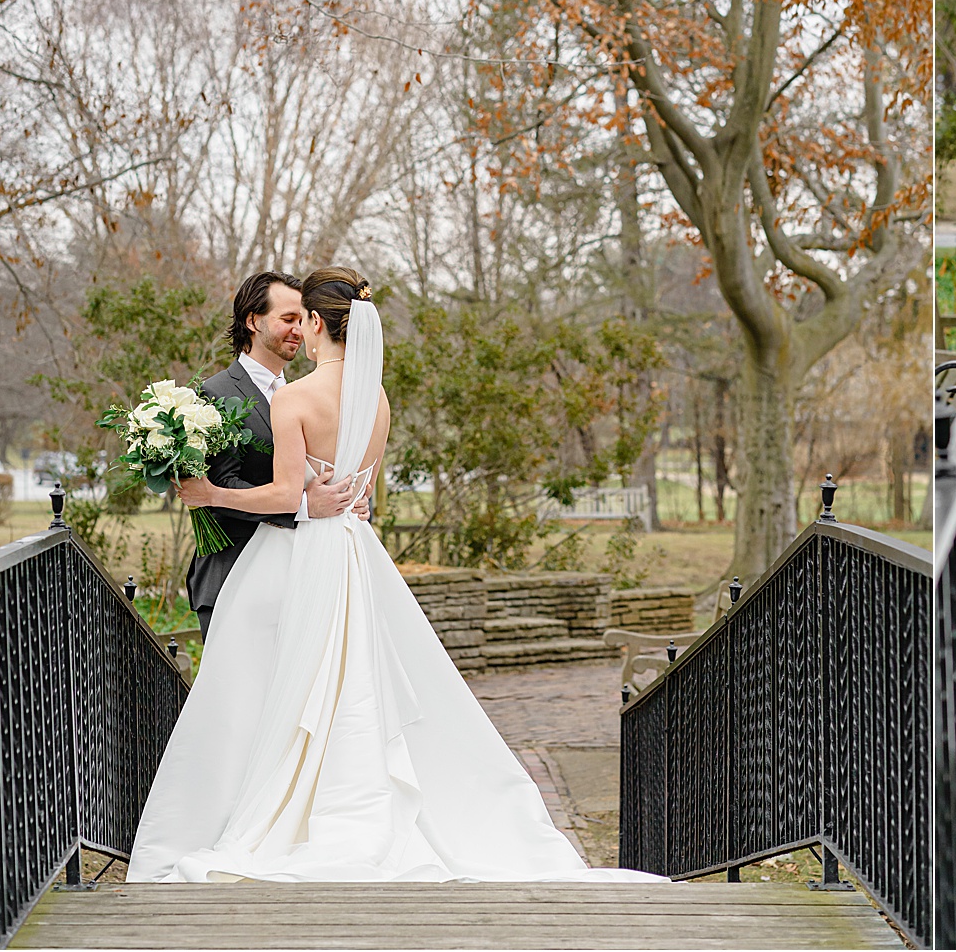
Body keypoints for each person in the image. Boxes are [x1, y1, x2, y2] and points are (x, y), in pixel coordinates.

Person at [129, 267, 663, 883]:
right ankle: (354, 800)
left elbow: (282, 495)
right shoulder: (374, 399)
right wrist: (322, 495)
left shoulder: (292, 397)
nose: (297, 327)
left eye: (303, 317)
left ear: (318, 323)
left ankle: (291, 808)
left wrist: (210, 492)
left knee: (298, 685)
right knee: (352, 681)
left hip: (299, 554)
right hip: (355, 553)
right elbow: (361, 493)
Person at [188, 272, 361, 639]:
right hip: (233, 576)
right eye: (288, 319)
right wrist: (302, 505)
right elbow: (219, 487)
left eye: (303, 320)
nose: (300, 329)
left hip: (299, 577)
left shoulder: (304, 394)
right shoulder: (214, 393)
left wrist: (351, 500)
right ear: (253, 321)